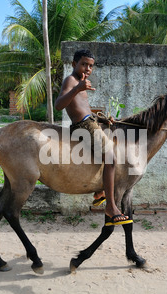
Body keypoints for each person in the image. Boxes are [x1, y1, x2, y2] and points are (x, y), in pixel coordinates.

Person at [55, 49, 128, 223]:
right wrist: (76, 88)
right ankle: (110, 206)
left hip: (90, 122)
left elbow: (84, 109)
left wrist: (102, 118)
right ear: (74, 64)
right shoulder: (71, 80)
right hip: (83, 125)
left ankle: (99, 191)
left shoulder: (82, 82)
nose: (87, 69)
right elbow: (59, 105)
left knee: (113, 140)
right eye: (84, 64)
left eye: (90, 66)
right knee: (111, 157)